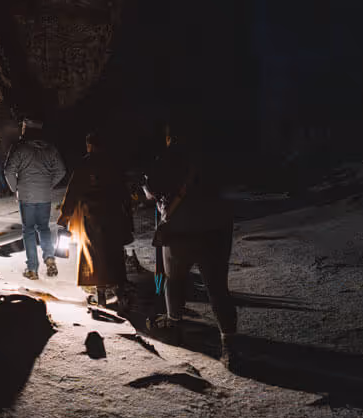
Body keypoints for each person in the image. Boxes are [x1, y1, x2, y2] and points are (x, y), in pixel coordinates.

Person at [141, 124, 238, 369]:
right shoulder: (211, 158)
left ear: (169, 138)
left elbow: (150, 190)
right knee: (217, 287)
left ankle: (173, 325)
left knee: (173, 279)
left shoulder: (164, 159)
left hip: (179, 231)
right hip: (216, 229)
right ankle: (230, 347)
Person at [58, 132, 134, 308]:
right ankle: (120, 295)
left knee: (94, 255)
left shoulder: (85, 165)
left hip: (90, 217)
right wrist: (128, 220)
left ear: (89, 145)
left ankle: (101, 297)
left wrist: (65, 215)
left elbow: (73, 192)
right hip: (113, 215)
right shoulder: (113, 164)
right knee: (114, 254)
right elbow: (124, 193)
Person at [3, 118, 67, 280]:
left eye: (23, 127)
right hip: (44, 195)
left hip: (26, 195)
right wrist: (48, 184)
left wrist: (15, 188)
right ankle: (49, 257)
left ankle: (32, 268)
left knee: (29, 230)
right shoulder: (50, 148)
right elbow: (61, 170)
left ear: (26, 130)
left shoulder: (19, 148)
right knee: (43, 228)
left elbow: (9, 171)